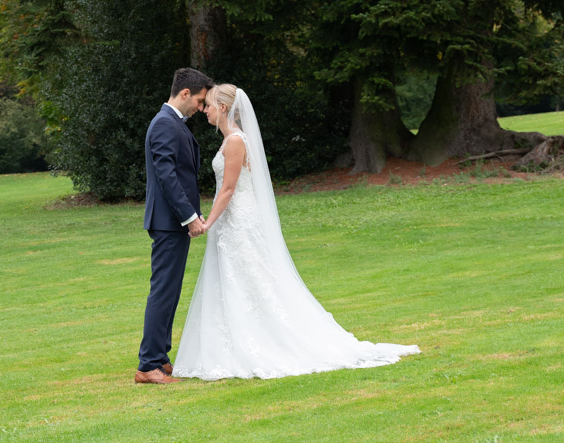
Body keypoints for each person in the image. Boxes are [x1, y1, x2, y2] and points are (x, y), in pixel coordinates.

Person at [172, 84, 420, 379]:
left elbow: (228, 190)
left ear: (224, 108)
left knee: (251, 278)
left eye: (209, 106)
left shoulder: (236, 141)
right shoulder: (229, 141)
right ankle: (231, 344)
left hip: (238, 219)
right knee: (234, 279)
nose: (205, 111)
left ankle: (263, 341)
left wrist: (207, 222)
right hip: (230, 219)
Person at [135, 67, 214, 384]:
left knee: (170, 291)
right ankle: (148, 364)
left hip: (172, 223)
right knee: (163, 291)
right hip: (169, 223)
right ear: (184, 94)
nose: (200, 107)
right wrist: (189, 216)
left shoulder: (171, 123)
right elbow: (166, 175)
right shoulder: (165, 124)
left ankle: (160, 357)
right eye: (198, 100)